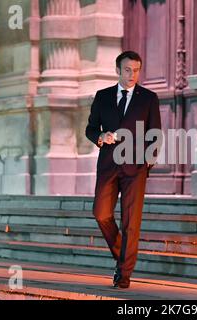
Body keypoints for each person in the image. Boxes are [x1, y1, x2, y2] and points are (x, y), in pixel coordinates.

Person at [85, 51, 162, 289]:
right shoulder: (103, 96)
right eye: (127, 70)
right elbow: (90, 128)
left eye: (136, 70)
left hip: (135, 167)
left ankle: (124, 272)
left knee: (131, 221)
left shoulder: (149, 98)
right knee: (101, 213)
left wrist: (148, 160)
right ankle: (123, 254)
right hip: (108, 165)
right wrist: (100, 136)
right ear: (118, 70)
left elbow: (155, 133)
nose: (132, 75)